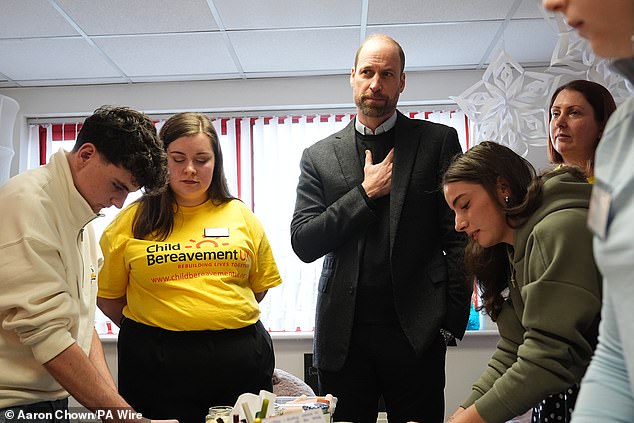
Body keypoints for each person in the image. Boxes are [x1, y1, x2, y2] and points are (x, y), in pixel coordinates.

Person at [290, 34, 471, 423]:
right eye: (368, 72)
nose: (376, 83)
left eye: (387, 74)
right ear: (352, 76)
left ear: (402, 81)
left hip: (417, 333)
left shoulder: (437, 141)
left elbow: (459, 235)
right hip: (344, 336)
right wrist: (365, 194)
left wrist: (451, 322)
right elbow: (304, 241)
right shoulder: (319, 156)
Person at [97, 112, 282, 423]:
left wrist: (211, 315)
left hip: (239, 358)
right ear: (161, 160)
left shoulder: (241, 215)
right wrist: (162, 325)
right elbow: (107, 297)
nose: (190, 170)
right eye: (178, 158)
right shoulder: (132, 220)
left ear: (216, 162)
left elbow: (258, 288)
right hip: (155, 363)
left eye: (202, 159)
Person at [0, 106, 176, 423]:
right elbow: (49, 337)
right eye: (118, 186)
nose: (120, 203)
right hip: (12, 405)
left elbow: (79, 327)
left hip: (51, 398)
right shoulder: (29, 208)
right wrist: (126, 419)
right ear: (86, 154)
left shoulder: (82, 218)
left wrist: (119, 415)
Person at [442, 141, 602, 423]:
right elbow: (514, 348)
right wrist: (461, 414)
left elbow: (546, 358)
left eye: (464, 205)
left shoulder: (556, 230)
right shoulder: (513, 250)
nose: (459, 224)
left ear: (503, 188)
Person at [542, 0, 634, 421]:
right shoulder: (540, 193)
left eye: (574, 113)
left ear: (601, 123)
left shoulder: (610, 171)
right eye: (555, 114)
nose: (551, 4)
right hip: (573, 351)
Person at [547, 79, 616, 180]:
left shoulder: (624, 186)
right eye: (555, 114)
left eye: (574, 113)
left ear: (602, 126)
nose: (559, 123)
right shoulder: (541, 187)